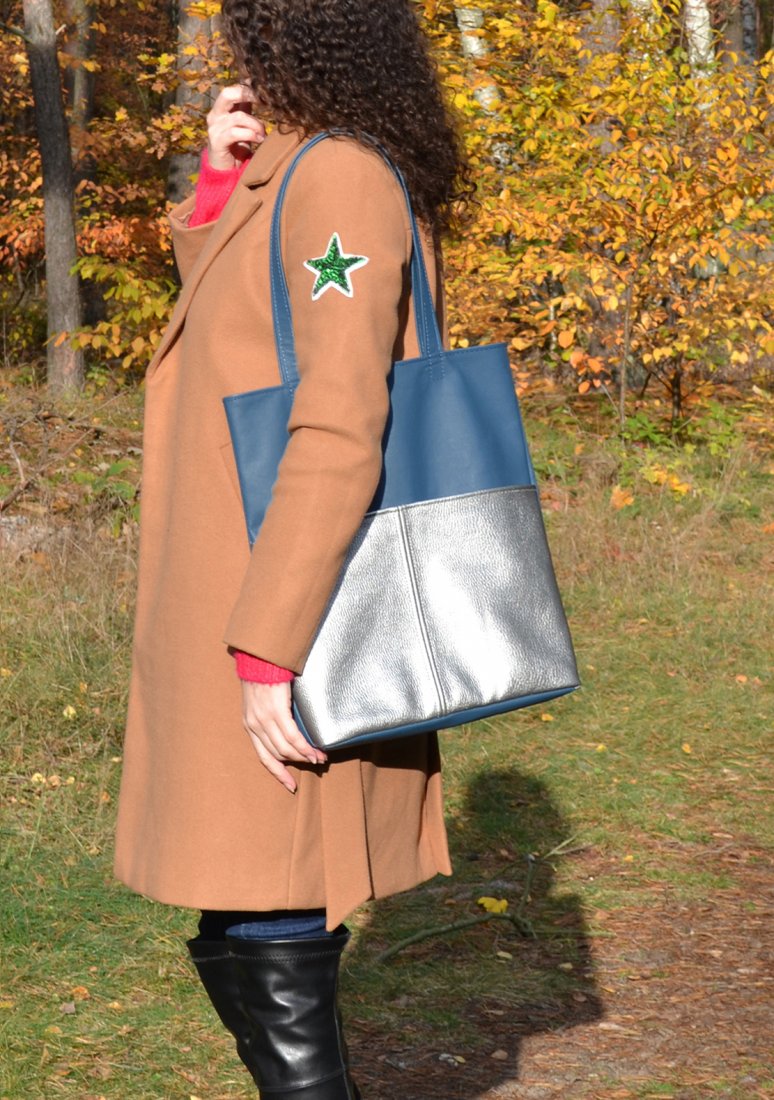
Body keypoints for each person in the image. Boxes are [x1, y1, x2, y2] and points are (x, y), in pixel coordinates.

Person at [113, 1, 468, 1095]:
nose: (235, 49)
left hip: (285, 593)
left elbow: (341, 420)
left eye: (250, 26)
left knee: (271, 890)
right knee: (246, 892)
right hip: (242, 583)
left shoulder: (340, 179)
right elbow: (232, 331)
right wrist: (219, 189)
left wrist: (271, 643)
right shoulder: (301, 171)